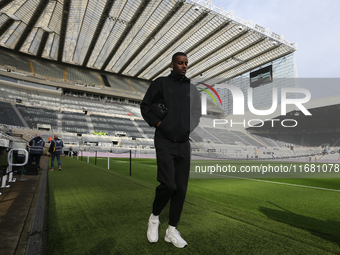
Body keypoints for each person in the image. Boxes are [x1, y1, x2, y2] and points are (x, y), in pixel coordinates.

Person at [140, 52, 201, 248]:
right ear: (172, 64)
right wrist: (159, 123)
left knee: (181, 189)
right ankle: (154, 218)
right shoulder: (160, 83)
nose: (184, 66)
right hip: (165, 140)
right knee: (168, 185)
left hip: (183, 143)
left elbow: (196, 113)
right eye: (180, 63)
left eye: (186, 63)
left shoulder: (192, 89)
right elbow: (145, 106)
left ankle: (172, 230)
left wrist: (188, 127)